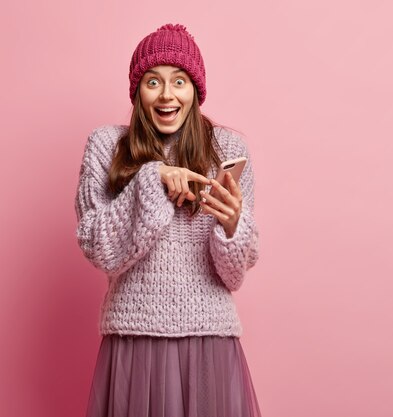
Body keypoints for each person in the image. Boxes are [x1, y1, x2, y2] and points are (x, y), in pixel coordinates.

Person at [74, 23, 262, 417]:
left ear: (195, 91)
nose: (167, 95)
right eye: (153, 82)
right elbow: (98, 248)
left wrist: (232, 227)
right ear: (137, 91)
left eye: (179, 81)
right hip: (134, 340)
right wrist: (150, 178)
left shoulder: (227, 148)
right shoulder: (106, 146)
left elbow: (234, 276)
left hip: (210, 341)